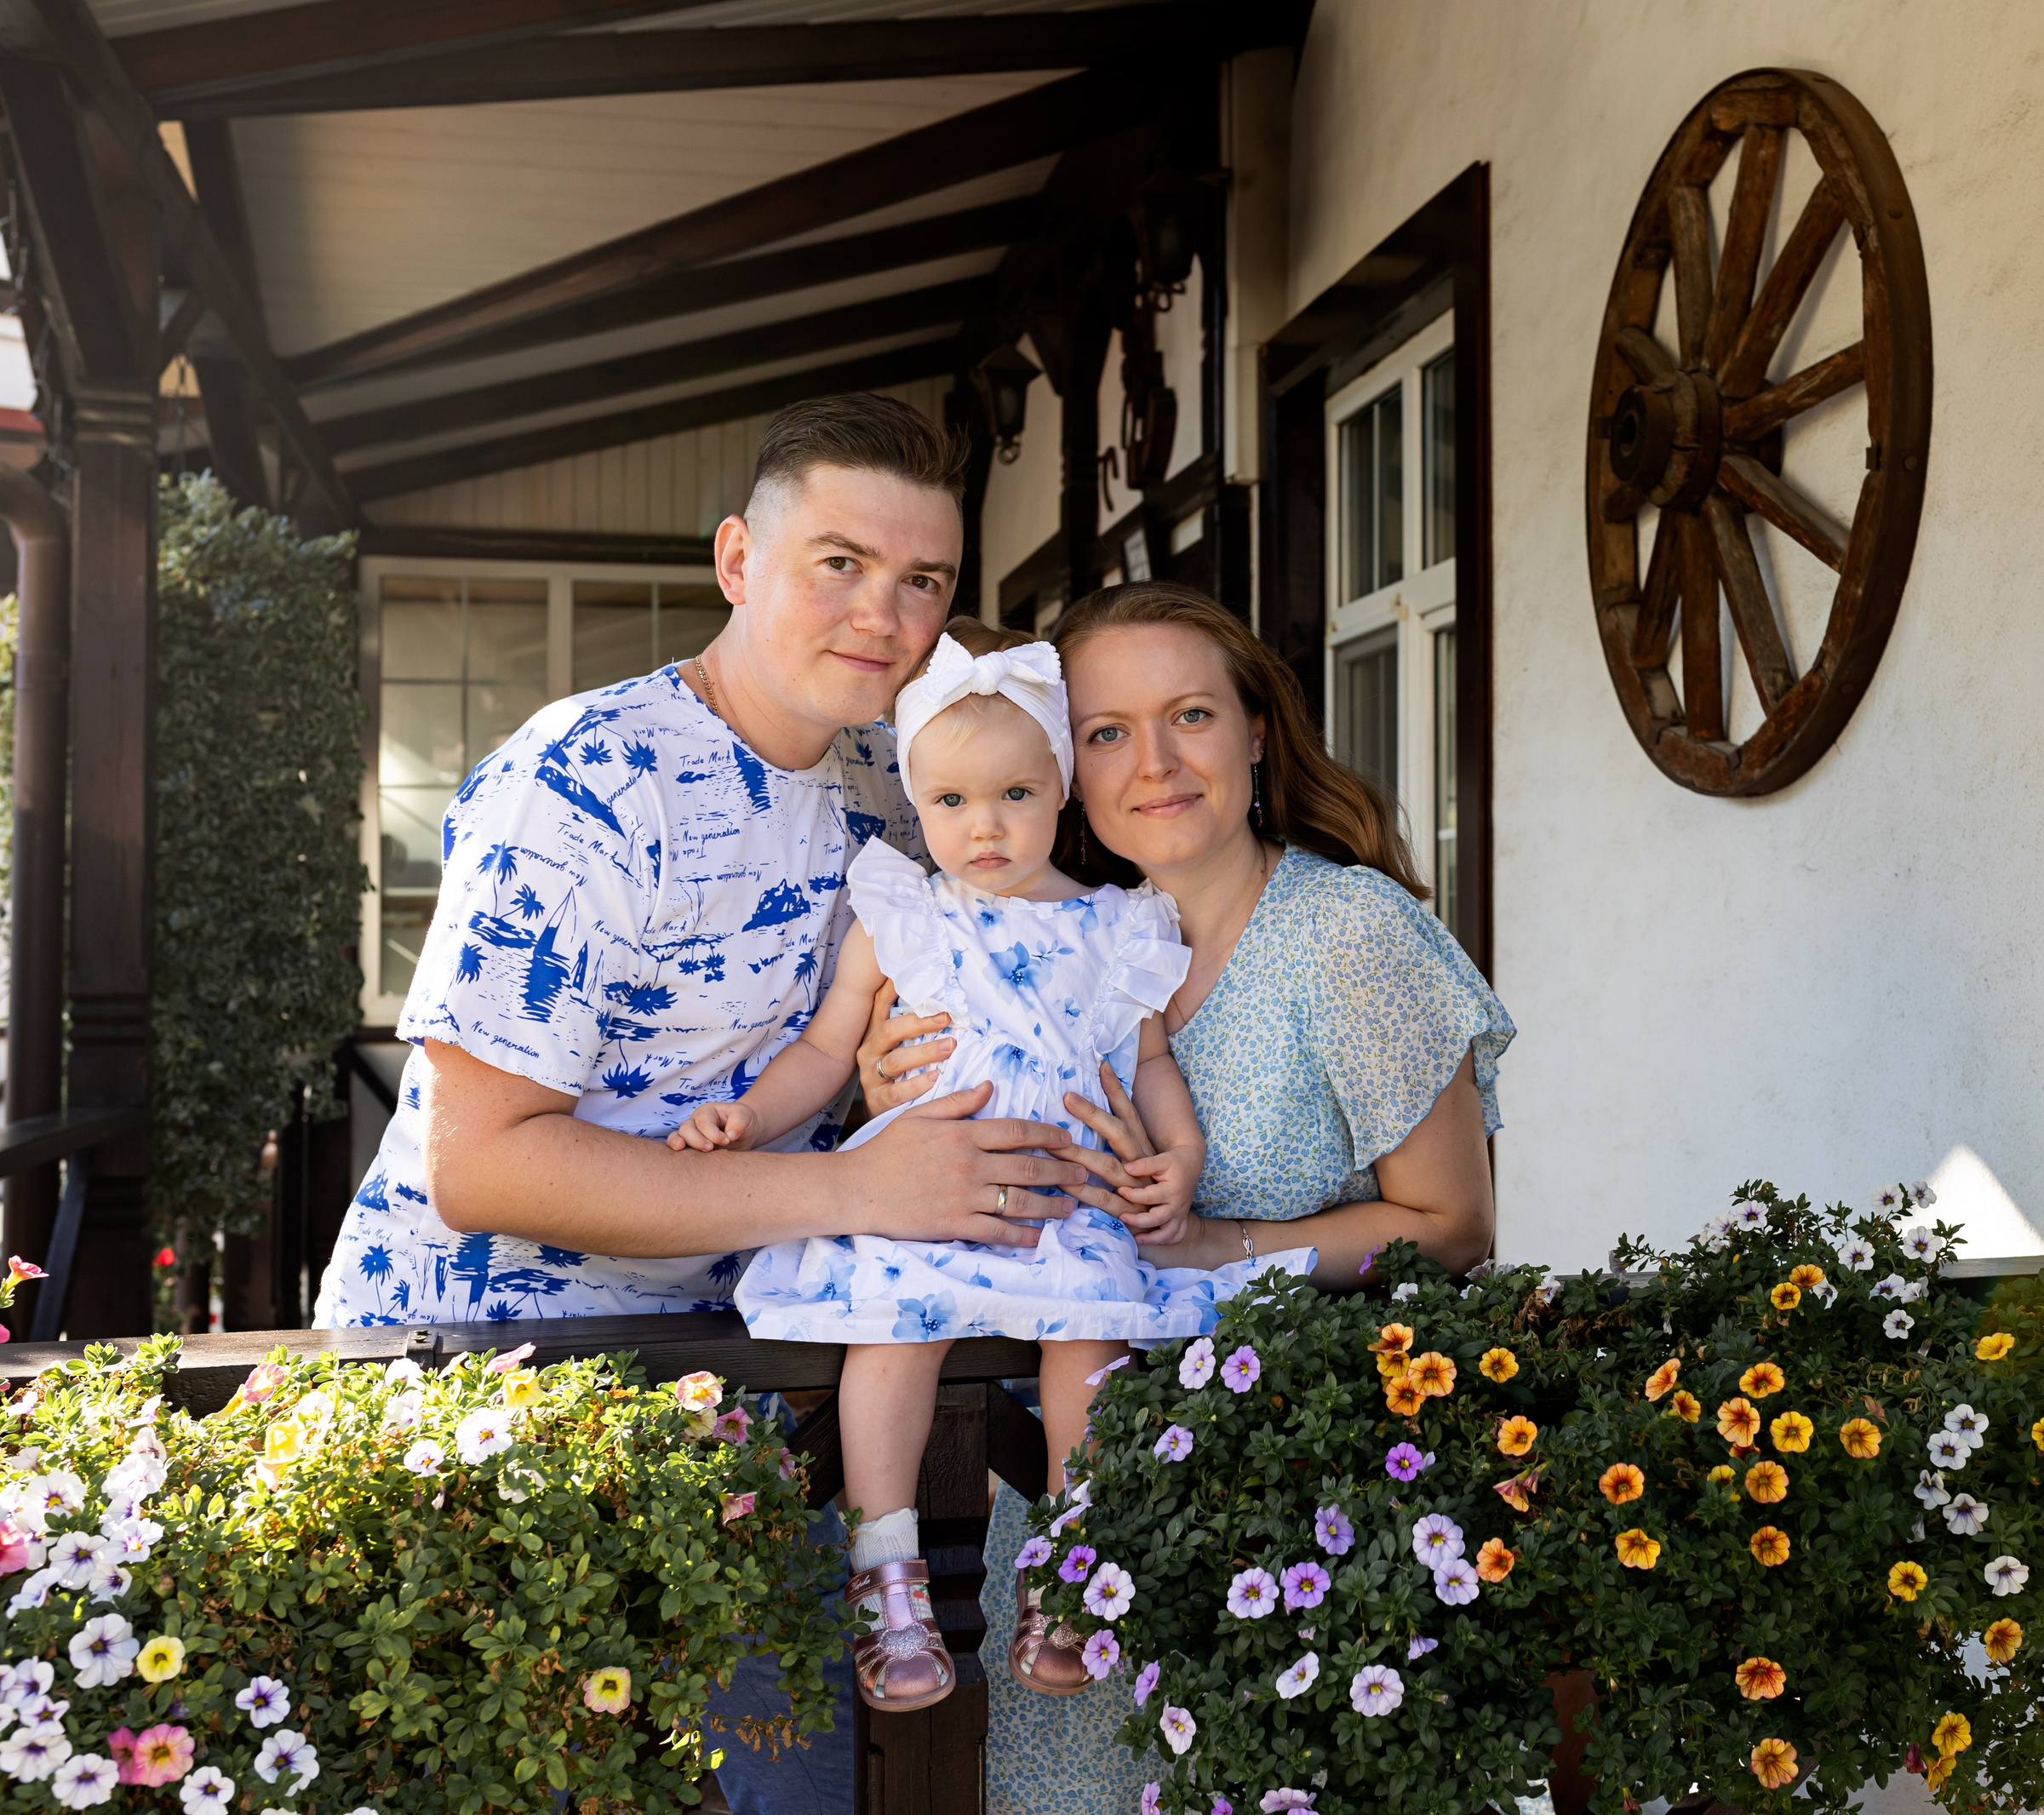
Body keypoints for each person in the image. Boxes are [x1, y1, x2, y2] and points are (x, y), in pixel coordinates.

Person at [857, 581, 1514, 1815]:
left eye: (1192, 716)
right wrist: (882, 1081)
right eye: (1106, 731)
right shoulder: (1051, 939)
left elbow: (1453, 1229)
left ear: (1258, 730)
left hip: (1303, 1528)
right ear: (1060, 763)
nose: (1152, 762)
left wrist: (1217, 1244)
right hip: (1066, 1541)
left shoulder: (1345, 934)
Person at [314, 394, 1094, 1333]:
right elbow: (481, 1164)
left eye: (923, 581)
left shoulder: (912, 788)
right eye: (840, 563)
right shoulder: (585, 775)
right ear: (737, 561)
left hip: (749, 1349)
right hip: (476, 1369)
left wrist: (893, 1088)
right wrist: (851, 1185)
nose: (882, 617)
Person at [685, 620, 1300, 1713]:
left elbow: (1149, 1060)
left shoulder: (1116, 925)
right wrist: (745, 1114)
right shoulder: (904, 914)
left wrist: (1183, 1150)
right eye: (952, 803)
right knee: (894, 1331)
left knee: (1092, 1331)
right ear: (917, 804)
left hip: (1065, 1192)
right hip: (920, 1188)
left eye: (1015, 795)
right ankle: (887, 1569)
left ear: (1060, 790)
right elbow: (829, 1051)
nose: (984, 827)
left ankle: (1067, 1558)